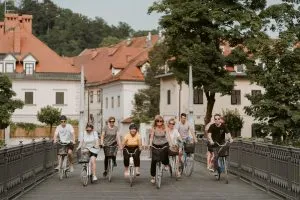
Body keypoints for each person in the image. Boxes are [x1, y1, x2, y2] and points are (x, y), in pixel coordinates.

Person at [149, 115, 170, 184]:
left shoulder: (165, 127)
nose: (159, 122)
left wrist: (171, 143)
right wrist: (150, 144)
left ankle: (166, 164)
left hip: (164, 143)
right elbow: (151, 137)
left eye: (161, 121)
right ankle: (153, 176)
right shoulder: (153, 128)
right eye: (157, 121)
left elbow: (168, 136)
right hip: (155, 144)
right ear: (155, 122)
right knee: (154, 160)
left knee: (167, 150)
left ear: (162, 122)